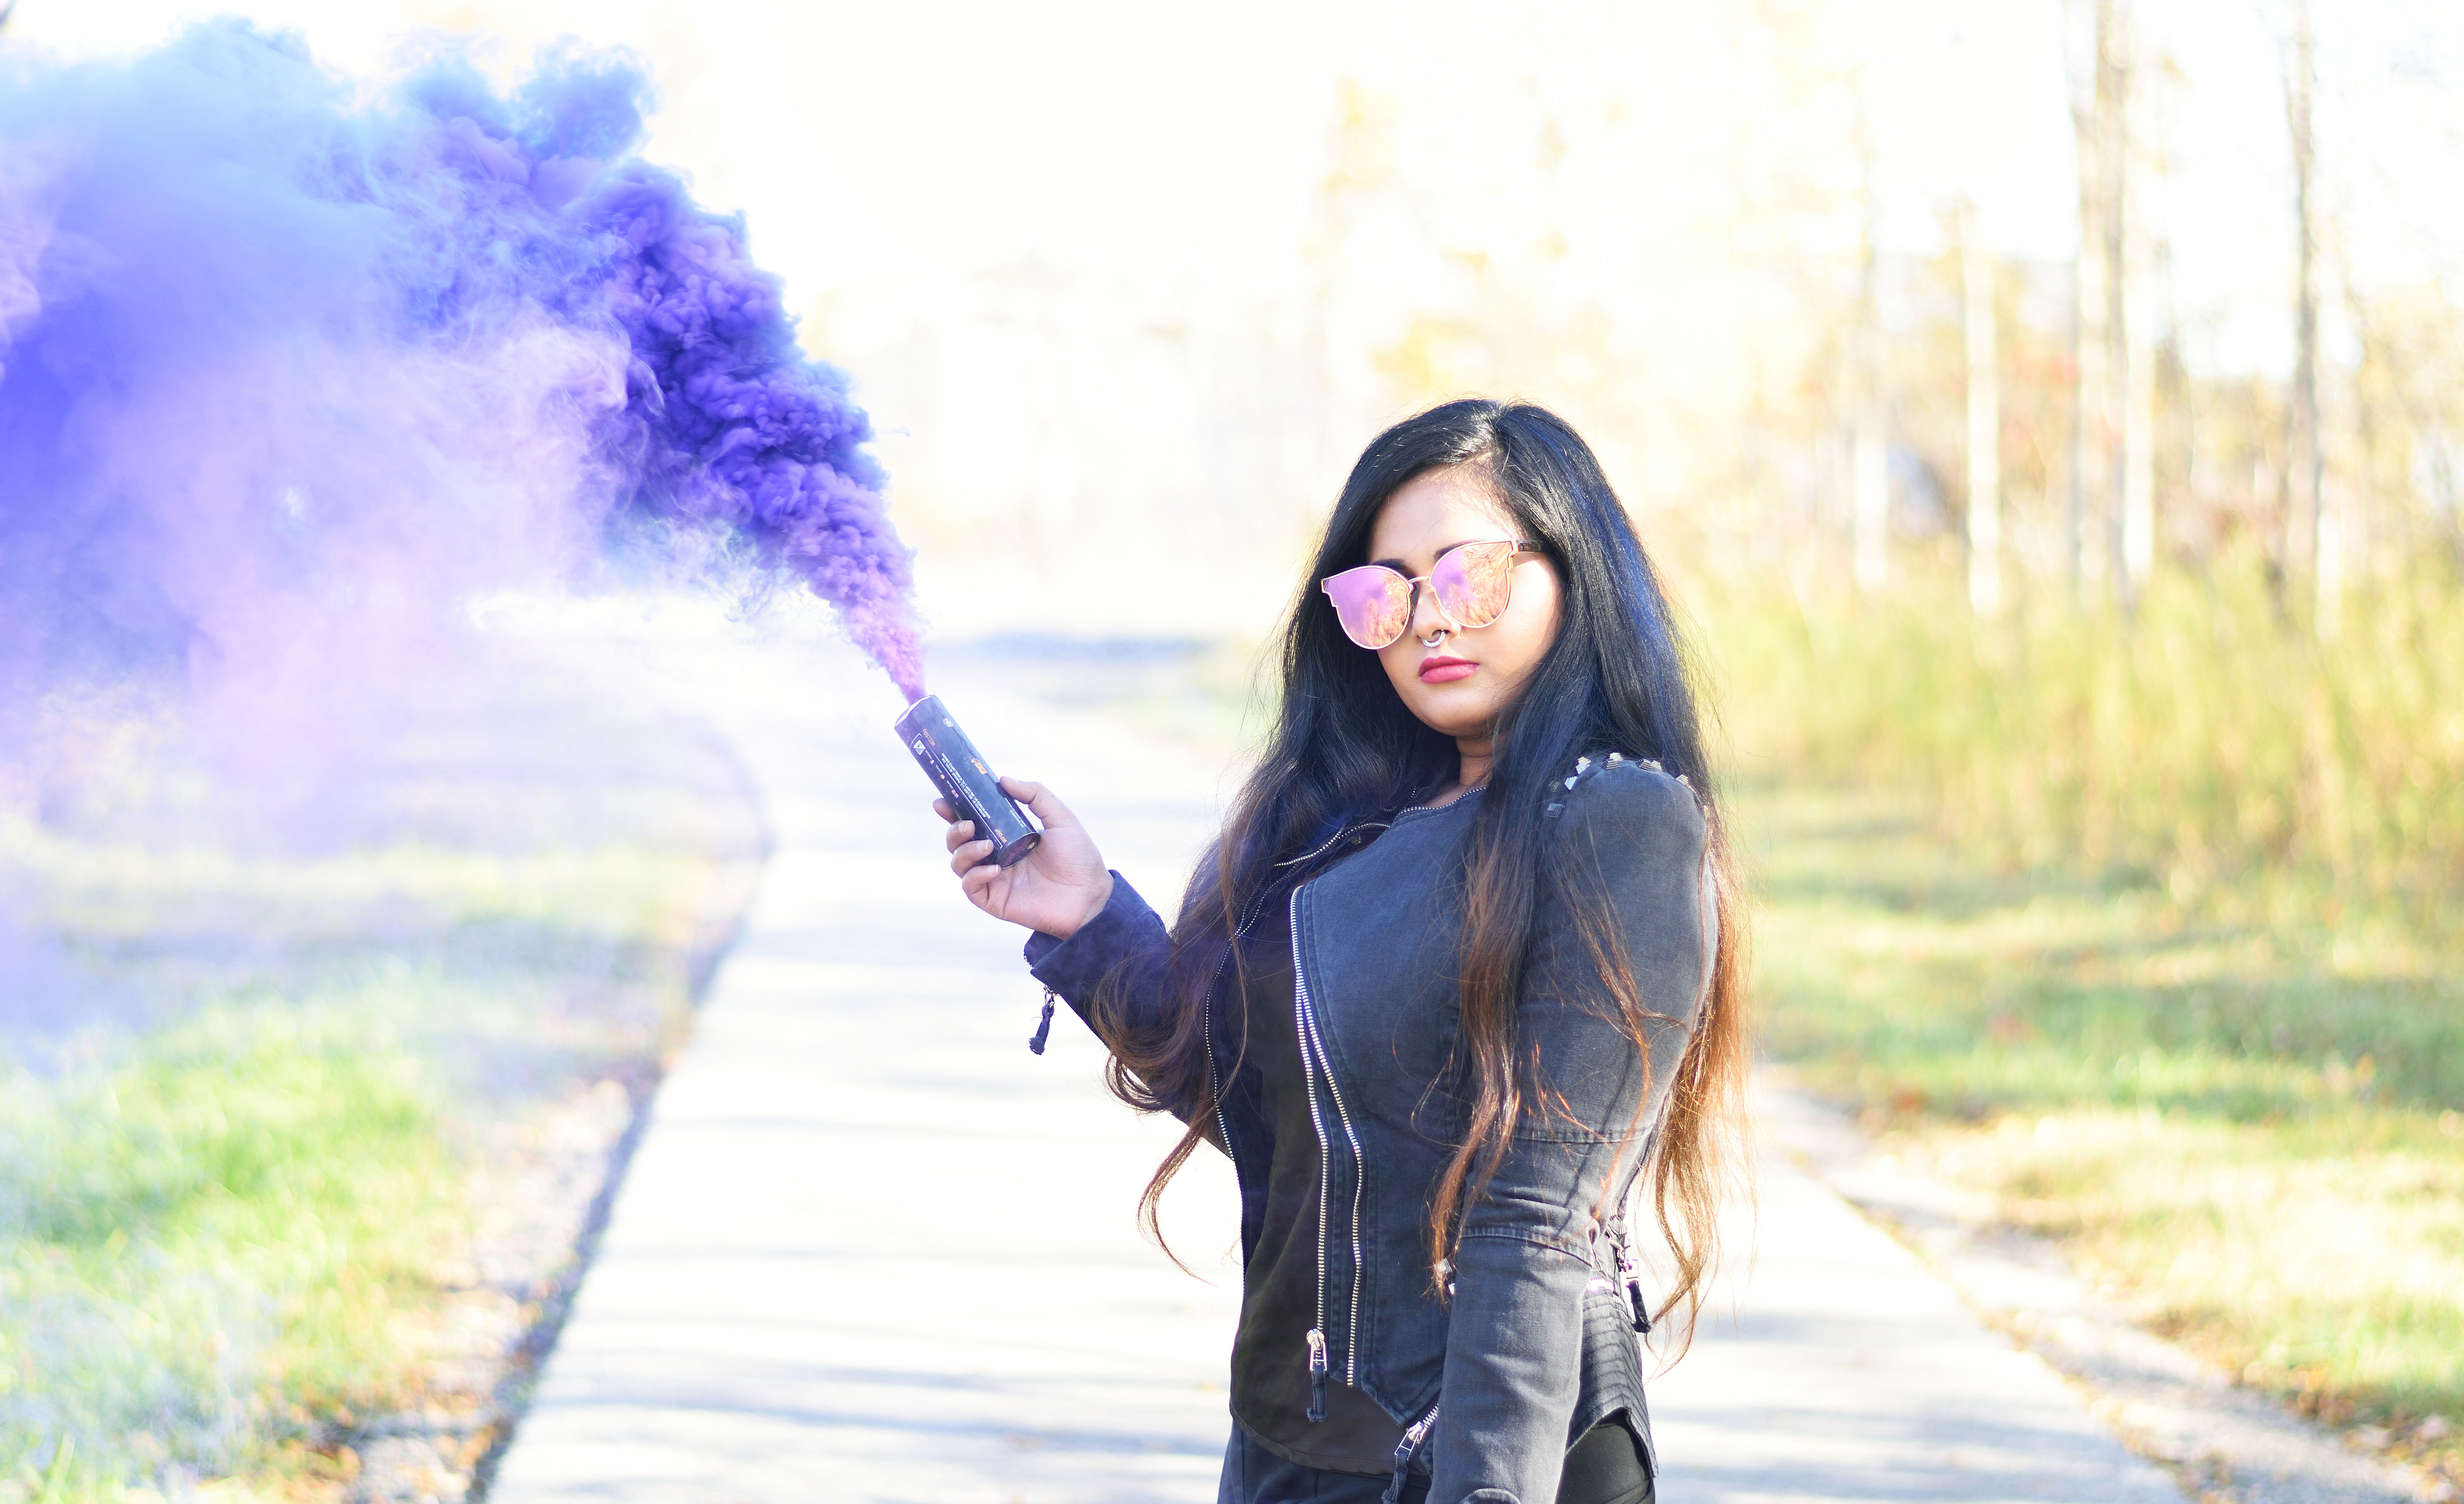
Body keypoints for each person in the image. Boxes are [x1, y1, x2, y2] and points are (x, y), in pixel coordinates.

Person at [931, 399, 1749, 1504]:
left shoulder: (1613, 817)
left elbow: (1537, 1218)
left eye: (1470, 575)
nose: (1428, 621)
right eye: (1384, 594)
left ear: (1575, 569)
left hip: (1496, 1450)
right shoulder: (1352, 818)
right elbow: (1268, 1107)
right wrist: (1086, 918)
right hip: (1294, 1438)